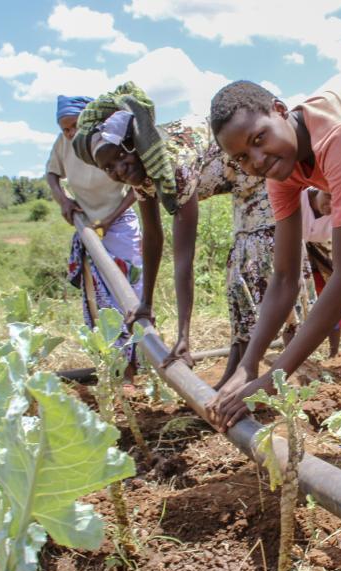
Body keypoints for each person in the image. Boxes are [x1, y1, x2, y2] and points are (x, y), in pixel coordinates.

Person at [206, 75, 341, 430]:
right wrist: (248, 365)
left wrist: (273, 379)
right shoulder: (280, 172)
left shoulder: (338, 135)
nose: (257, 160)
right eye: (242, 157)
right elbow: (284, 277)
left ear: (279, 110)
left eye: (259, 139)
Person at [72, 83, 313, 386]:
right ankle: (236, 372)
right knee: (237, 275)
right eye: (109, 168)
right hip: (236, 181)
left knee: (260, 260)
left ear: (135, 145)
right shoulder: (141, 175)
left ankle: (278, 371)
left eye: (121, 157)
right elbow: (153, 236)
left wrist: (184, 336)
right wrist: (145, 302)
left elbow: (183, 256)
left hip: (254, 171)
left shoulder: (171, 166)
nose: (119, 169)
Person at [46, 95, 149, 377]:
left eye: (74, 126)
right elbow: (52, 174)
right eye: (64, 129)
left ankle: (136, 364)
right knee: (100, 301)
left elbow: (137, 186)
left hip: (119, 223)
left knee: (130, 292)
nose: (69, 133)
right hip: (88, 226)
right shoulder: (64, 144)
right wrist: (64, 202)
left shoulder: (105, 141)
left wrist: (110, 220)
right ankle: (112, 363)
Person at [300, 188, 341, 358]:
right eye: (328, 196)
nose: (330, 206)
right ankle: (296, 355)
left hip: (325, 257)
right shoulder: (298, 197)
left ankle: (333, 354)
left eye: (337, 201)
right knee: (296, 303)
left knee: (333, 300)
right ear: (318, 187)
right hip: (297, 255)